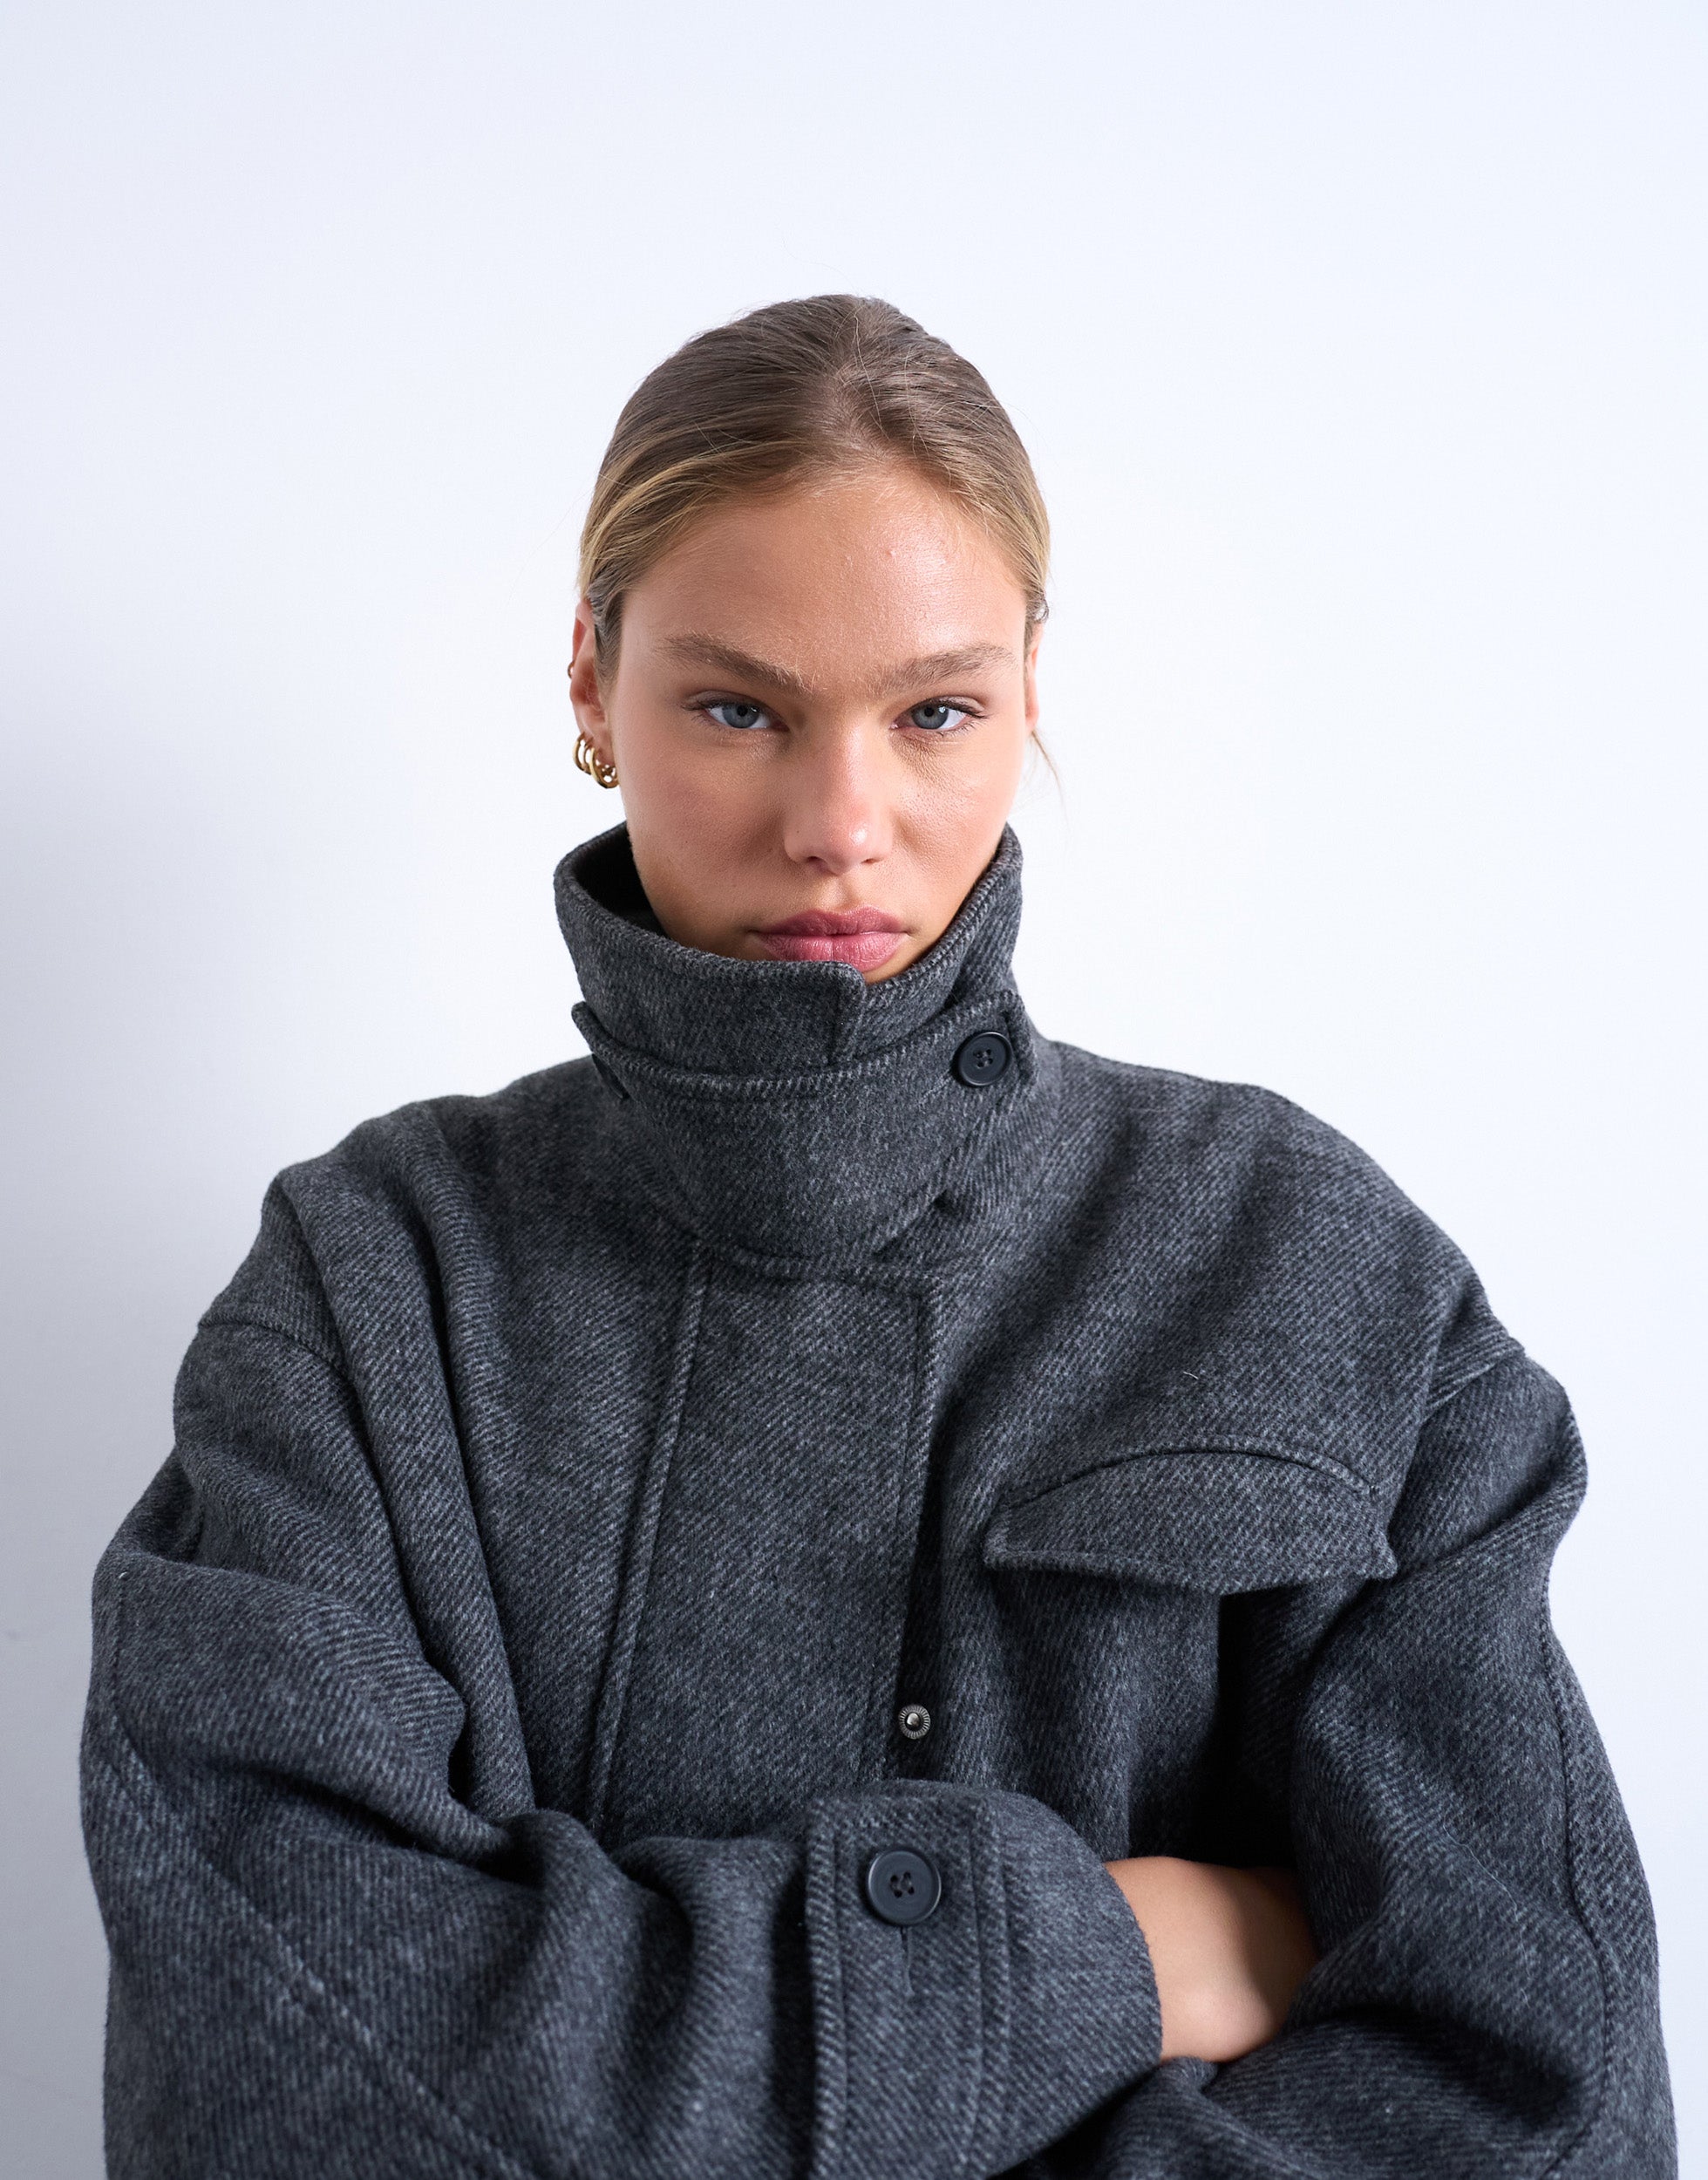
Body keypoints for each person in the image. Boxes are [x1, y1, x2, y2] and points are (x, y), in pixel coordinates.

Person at [81, 294, 1674, 2178]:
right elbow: (282, 2077)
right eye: (737, 708)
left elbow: (1544, 2096)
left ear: (1028, 691)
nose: (843, 824)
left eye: (933, 712)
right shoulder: (371, 1290)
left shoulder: (1307, 1263)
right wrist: (1095, 1953)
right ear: (591, 682)